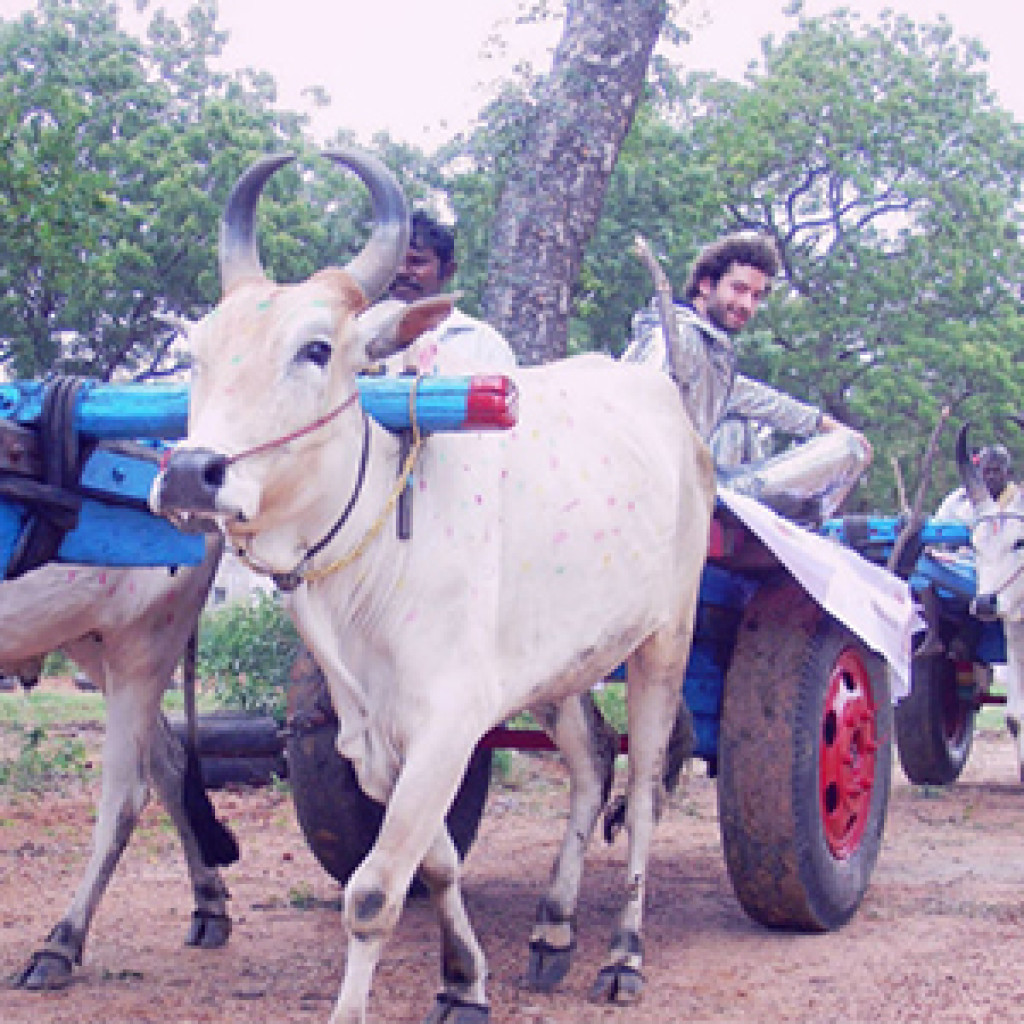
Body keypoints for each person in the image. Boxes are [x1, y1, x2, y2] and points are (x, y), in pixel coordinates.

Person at [625, 231, 872, 521]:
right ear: (706, 285)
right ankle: (783, 519)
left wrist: (825, 423)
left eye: (756, 296)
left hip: (705, 483)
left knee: (738, 426)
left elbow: (762, 401)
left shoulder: (713, 354)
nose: (747, 305)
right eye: (739, 289)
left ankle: (776, 518)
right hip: (672, 490)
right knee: (848, 451)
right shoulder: (673, 337)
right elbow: (634, 413)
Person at [384, 210, 515, 375]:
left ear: (448, 271)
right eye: (394, 261)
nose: (401, 271)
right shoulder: (364, 335)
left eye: (416, 262)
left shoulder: (484, 345)